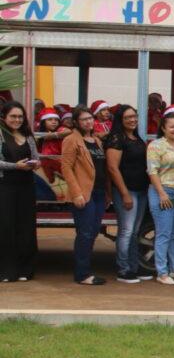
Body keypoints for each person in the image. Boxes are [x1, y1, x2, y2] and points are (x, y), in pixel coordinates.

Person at [60, 106, 109, 285]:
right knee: (85, 233)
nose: (88, 122)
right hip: (84, 193)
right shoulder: (71, 140)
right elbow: (66, 167)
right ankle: (82, 274)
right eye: (84, 119)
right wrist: (76, 193)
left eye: (90, 118)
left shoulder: (96, 140)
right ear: (76, 122)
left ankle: (85, 270)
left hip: (99, 192)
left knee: (93, 231)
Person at [104, 105, 150, 283]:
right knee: (126, 231)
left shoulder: (137, 137)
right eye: (127, 117)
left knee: (135, 232)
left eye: (134, 116)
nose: (132, 120)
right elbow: (112, 168)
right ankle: (123, 269)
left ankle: (134, 267)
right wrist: (124, 194)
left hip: (141, 190)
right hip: (126, 190)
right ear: (120, 120)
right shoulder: (116, 138)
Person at [146, 111, 174, 285]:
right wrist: (162, 193)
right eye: (172, 126)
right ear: (163, 128)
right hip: (163, 191)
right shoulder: (155, 146)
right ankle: (162, 272)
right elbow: (152, 171)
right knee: (164, 234)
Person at [0, 101, 40, 282]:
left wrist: (35, 164)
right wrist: (15, 166)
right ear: (4, 117)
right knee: (7, 226)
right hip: (6, 187)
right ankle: (7, 271)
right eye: (13, 116)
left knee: (26, 226)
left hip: (26, 186)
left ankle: (26, 269)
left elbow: (36, 158)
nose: (17, 120)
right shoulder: (1, 135)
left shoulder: (28, 136)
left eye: (20, 116)